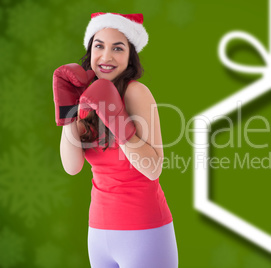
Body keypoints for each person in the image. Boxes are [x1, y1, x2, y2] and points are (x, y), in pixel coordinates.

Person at [52, 12, 178, 268]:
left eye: (117, 48)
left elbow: (153, 169)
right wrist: (68, 113)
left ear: (130, 56)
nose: (106, 56)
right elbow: (72, 166)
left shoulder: (136, 93)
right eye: (99, 46)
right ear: (90, 51)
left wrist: (116, 118)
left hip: (144, 231)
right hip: (98, 232)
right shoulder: (86, 96)